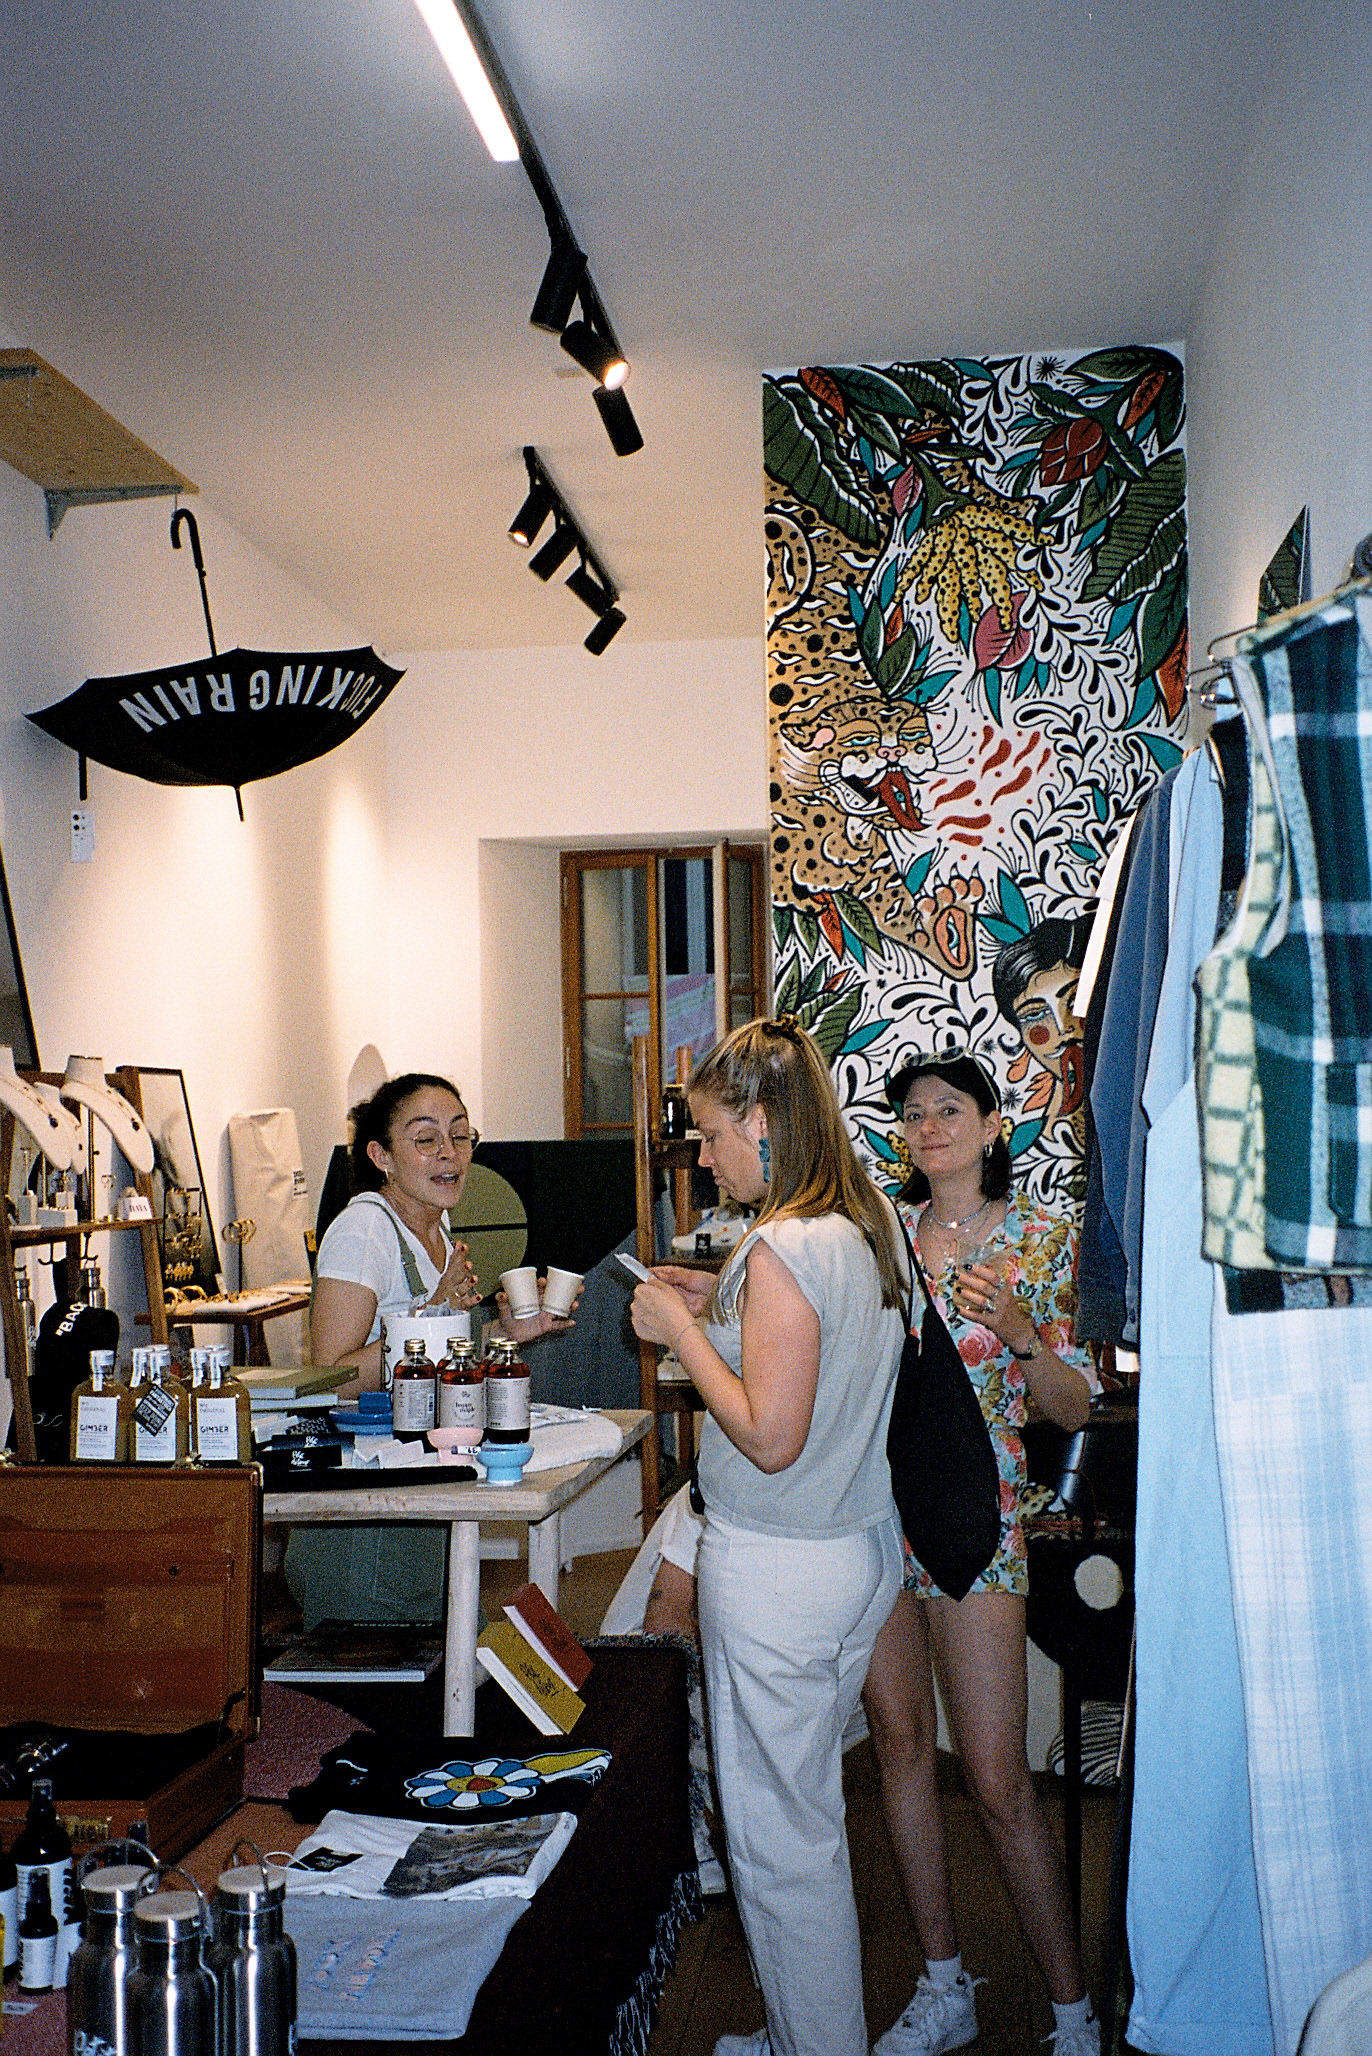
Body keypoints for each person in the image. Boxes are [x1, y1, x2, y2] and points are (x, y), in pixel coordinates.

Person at [628, 1015, 908, 2056]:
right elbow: (816, 1352)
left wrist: (683, 1331)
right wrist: (725, 1308)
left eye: (710, 1134)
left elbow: (770, 1436)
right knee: (804, 1823)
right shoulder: (864, 1220)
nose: (703, 1156)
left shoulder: (785, 1245)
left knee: (780, 1846)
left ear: (759, 1121)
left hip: (782, 1568)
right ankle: (805, 2033)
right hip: (856, 1549)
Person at [864, 1051, 1100, 2056]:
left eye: (949, 1109)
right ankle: (942, 1983)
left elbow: (1074, 1406)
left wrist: (1019, 1331)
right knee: (901, 1747)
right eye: (914, 1112)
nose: (929, 1126)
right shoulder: (879, 1234)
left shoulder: (1042, 1235)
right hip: (873, 1509)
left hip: (982, 1510)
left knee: (998, 1777)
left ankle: (1073, 2011)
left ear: (994, 1124)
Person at [291, 1072, 571, 1624]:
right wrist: (433, 1312)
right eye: (425, 1139)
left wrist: (508, 1333)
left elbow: (440, 1360)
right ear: (382, 1157)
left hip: (420, 1489)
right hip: (366, 1515)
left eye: (460, 1135)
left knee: (462, 1652)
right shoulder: (363, 1229)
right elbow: (330, 1376)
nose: (449, 1153)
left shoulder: (437, 1230)